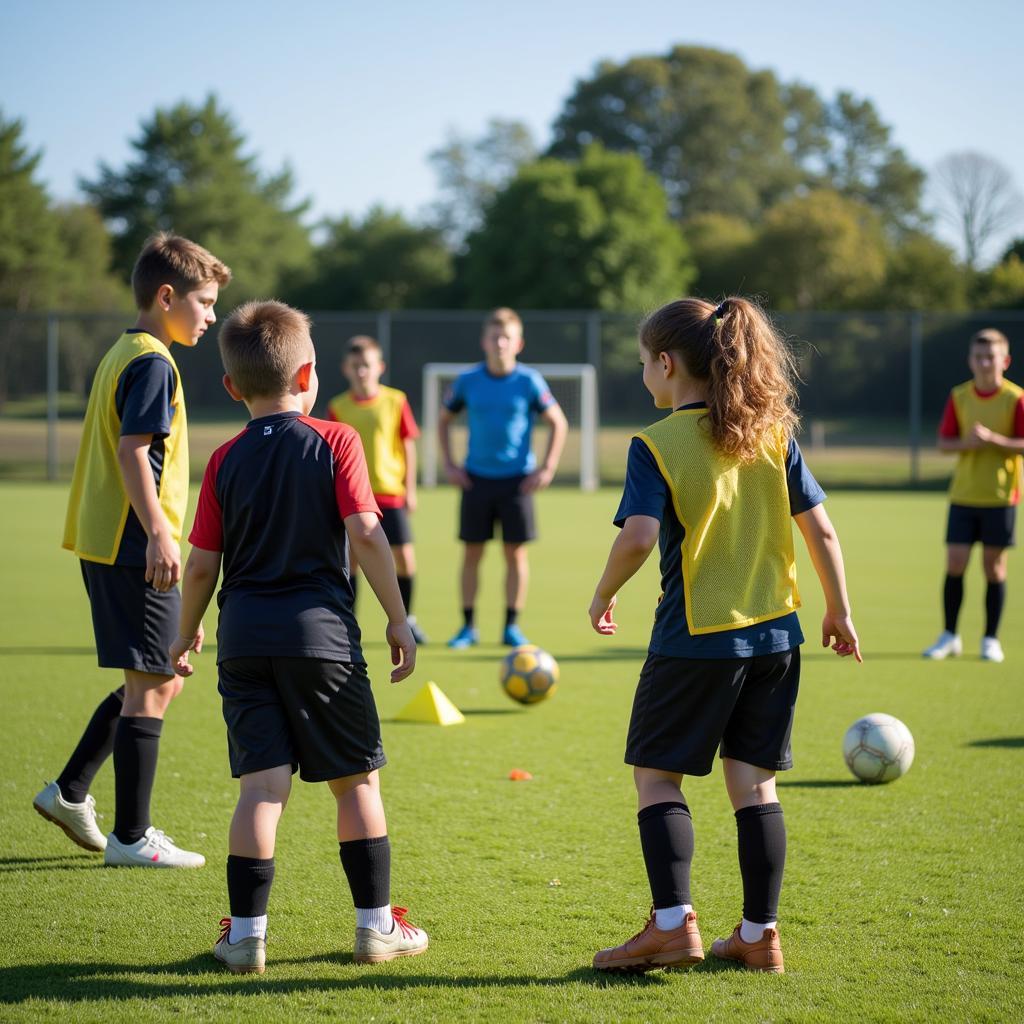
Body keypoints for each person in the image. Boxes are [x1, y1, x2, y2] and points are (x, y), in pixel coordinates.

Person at [587, 297, 861, 975]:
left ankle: (672, 927)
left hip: (695, 639)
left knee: (657, 778)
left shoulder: (656, 442)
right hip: (777, 637)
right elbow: (821, 527)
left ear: (667, 363)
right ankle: (759, 935)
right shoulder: (770, 435)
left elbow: (641, 535)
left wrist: (602, 592)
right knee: (756, 788)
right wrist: (838, 610)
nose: (643, 374)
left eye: (643, 362)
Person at [170, 300, 427, 974]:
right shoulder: (336, 440)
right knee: (357, 785)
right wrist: (398, 618)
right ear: (309, 373)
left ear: (232, 387)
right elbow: (368, 533)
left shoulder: (224, 460)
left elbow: (201, 564)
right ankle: (376, 929)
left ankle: (246, 937)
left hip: (246, 641)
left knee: (261, 791)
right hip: (325, 643)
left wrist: (184, 632)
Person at [34, 233, 230, 867]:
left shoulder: (126, 350)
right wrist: (160, 532)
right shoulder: (152, 361)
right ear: (166, 296)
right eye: (203, 302)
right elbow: (132, 451)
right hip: (131, 543)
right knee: (153, 683)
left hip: (115, 540)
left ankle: (69, 792)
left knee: (159, 679)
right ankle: (131, 837)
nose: (211, 315)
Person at [439, 307, 568, 648]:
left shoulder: (529, 381)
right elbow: (442, 420)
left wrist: (547, 467)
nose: (500, 343)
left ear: (518, 343)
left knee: (515, 556)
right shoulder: (468, 381)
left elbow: (558, 421)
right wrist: (450, 465)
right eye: (494, 337)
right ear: (484, 341)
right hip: (476, 479)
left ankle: (511, 626)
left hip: (517, 481)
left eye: (506, 337)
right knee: (472, 554)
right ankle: (467, 627)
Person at [923, 328, 1023, 663]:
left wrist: (995, 440)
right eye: (978, 357)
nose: (984, 363)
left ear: (1004, 361)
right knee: (954, 563)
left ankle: (990, 639)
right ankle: (950, 635)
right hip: (963, 495)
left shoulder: (1015, 398)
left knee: (994, 569)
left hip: (1000, 496)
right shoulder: (960, 396)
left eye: (990, 357)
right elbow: (943, 443)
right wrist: (970, 443)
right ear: (970, 360)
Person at [326, 336, 427, 644]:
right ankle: (348, 625)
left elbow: (407, 444)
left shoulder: (395, 401)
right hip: (355, 496)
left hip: (390, 493)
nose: (361, 372)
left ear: (379, 367)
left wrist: (410, 487)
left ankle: (407, 620)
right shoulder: (338, 406)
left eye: (366, 365)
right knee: (353, 560)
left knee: (405, 559)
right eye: (355, 366)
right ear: (346, 368)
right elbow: (332, 453)